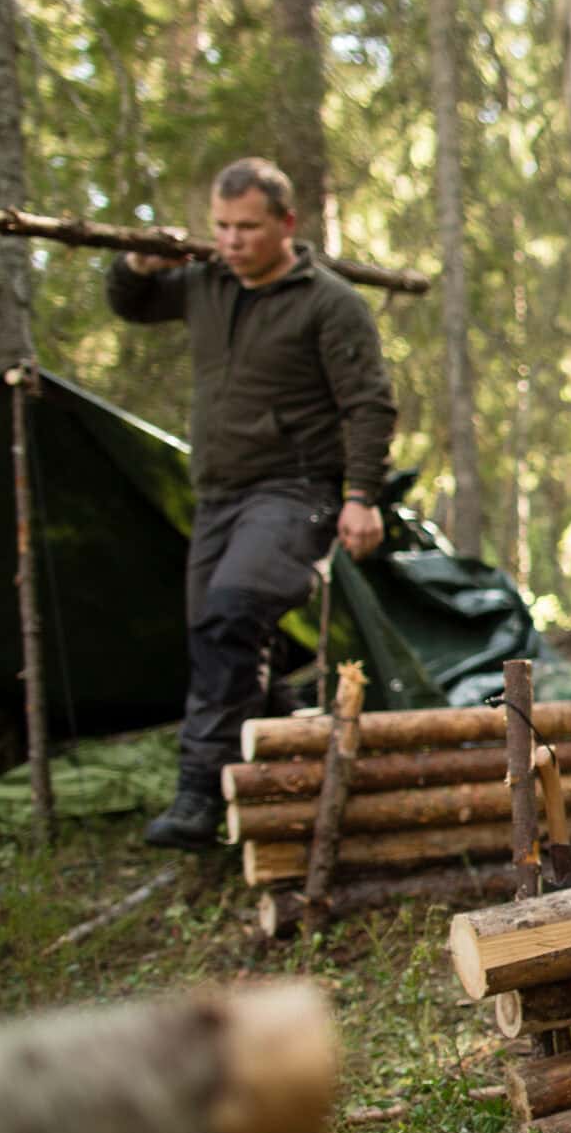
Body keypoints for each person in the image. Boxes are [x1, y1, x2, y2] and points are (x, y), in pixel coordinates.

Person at [111, 158, 398, 849]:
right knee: (221, 638)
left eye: (246, 227)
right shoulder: (206, 282)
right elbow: (134, 304)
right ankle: (285, 770)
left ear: (286, 225)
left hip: (297, 491)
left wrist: (361, 496)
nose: (231, 240)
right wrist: (136, 265)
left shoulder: (328, 302)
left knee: (231, 618)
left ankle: (199, 794)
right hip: (217, 495)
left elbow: (369, 404)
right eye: (221, 226)